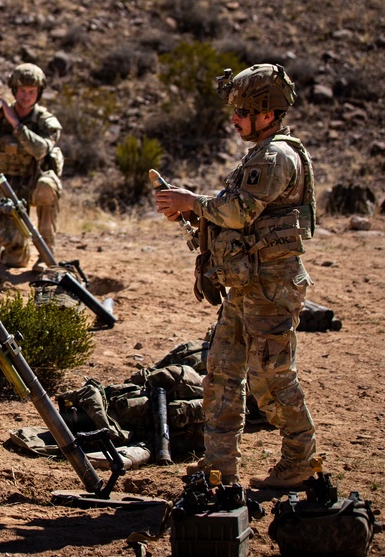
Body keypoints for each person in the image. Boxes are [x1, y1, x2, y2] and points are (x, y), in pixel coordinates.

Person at [154, 63, 317, 490]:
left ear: (268, 114)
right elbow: (238, 216)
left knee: (272, 379)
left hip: (271, 287)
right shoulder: (260, 154)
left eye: (243, 112)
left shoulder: (277, 157)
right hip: (247, 286)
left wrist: (192, 202)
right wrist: (193, 213)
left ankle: (301, 461)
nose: (234, 119)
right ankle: (219, 466)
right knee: (222, 374)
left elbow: (240, 211)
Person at [0, 63, 63, 272]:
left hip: (34, 184)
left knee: (48, 187)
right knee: (16, 260)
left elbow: (40, 150)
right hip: (7, 188)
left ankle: (46, 254)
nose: (26, 96)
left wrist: (15, 123)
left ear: (39, 92)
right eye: (22, 90)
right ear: (14, 90)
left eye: (31, 91)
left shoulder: (45, 121)